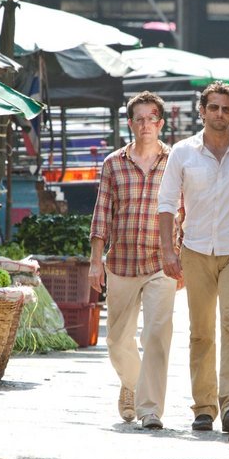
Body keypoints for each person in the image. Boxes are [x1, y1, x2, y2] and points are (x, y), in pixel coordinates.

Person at [158, 81, 229, 434]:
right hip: (195, 250)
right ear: (203, 111)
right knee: (201, 332)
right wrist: (167, 249)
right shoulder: (182, 152)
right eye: (214, 108)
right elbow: (166, 203)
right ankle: (204, 407)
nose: (220, 114)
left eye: (226, 109)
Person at [89, 91, 178, 430]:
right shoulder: (113, 163)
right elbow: (102, 216)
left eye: (151, 118)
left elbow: (184, 211)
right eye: (138, 119)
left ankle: (150, 408)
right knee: (116, 341)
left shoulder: (175, 161)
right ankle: (133, 382)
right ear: (130, 124)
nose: (145, 125)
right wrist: (95, 262)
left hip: (161, 262)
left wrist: (179, 257)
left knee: (157, 335)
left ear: (160, 123)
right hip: (122, 262)